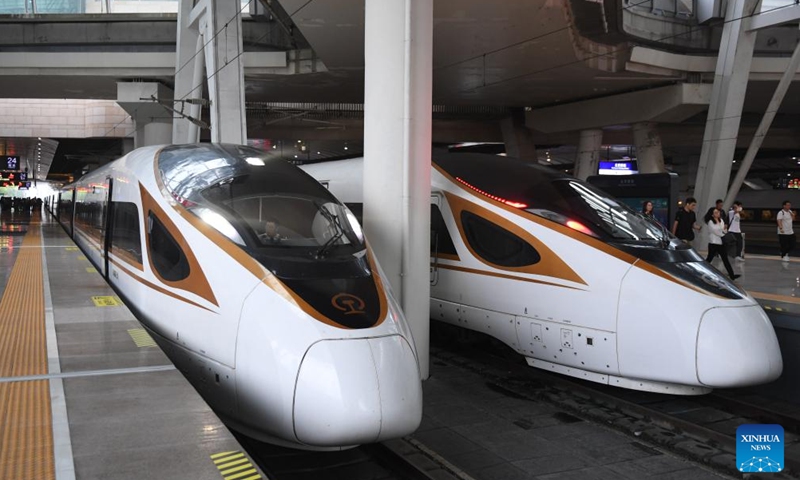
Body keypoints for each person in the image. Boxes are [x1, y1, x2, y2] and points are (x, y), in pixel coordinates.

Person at [706, 208, 739, 280]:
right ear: (712, 214)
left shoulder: (721, 220)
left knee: (725, 259)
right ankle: (702, 271)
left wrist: (723, 231)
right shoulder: (710, 222)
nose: (718, 213)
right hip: (713, 244)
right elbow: (716, 232)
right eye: (715, 212)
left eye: (718, 212)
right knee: (709, 259)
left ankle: (732, 275)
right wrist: (723, 231)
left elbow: (724, 230)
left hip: (721, 243)